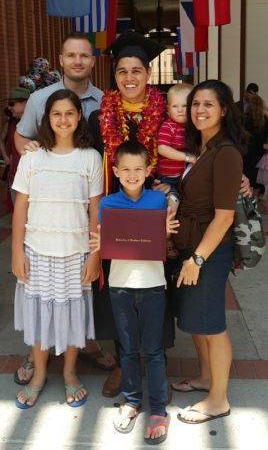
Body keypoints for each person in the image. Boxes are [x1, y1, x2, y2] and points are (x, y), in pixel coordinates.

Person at [13, 33, 115, 386]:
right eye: (70, 55)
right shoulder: (39, 99)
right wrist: (33, 153)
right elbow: (22, 137)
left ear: (92, 60)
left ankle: (78, 353)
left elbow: (95, 202)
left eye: (83, 55)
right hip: (40, 232)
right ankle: (36, 363)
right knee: (41, 304)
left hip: (77, 234)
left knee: (75, 303)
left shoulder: (104, 103)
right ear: (61, 59)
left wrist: (96, 249)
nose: (77, 61)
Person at [88, 30, 173, 398]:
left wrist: (172, 190)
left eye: (136, 70)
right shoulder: (98, 117)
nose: (129, 78)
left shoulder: (167, 111)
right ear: (115, 76)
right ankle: (125, 365)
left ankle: (157, 366)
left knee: (155, 287)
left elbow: (176, 161)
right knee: (117, 290)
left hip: (154, 215)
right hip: (115, 212)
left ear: (148, 75)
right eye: (122, 71)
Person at [11, 89, 103, 408]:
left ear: (79, 117)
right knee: (39, 317)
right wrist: (16, 252)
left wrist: (95, 254)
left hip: (75, 252)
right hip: (36, 251)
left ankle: (69, 373)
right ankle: (38, 375)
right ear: (47, 119)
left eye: (69, 113)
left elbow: (95, 209)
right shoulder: (33, 158)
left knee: (73, 315)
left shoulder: (90, 158)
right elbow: (21, 206)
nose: (63, 120)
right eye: (56, 114)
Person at [89, 140, 179, 444]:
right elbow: (105, 244)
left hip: (153, 285)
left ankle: (157, 409)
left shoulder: (157, 201)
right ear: (114, 170)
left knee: (153, 350)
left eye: (138, 169)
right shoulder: (107, 204)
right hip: (120, 286)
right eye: (125, 169)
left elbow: (163, 238)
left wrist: (166, 232)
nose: (131, 174)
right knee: (126, 349)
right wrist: (99, 245)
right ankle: (130, 401)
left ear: (148, 170)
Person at [171, 80, 247, 424]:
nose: (199, 110)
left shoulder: (227, 152)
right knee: (198, 322)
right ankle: (205, 378)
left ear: (224, 110)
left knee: (212, 324)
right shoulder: (201, 148)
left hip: (209, 251)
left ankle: (219, 399)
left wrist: (198, 258)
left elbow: (225, 216)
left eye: (208, 105)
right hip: (191, 245)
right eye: (194, 104)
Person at [157, 82, 196, 203]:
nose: (180, 110)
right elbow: (162, 148)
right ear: (168, 109)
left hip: (184, 176)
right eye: (175, 106)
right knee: (172, 201)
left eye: (185, 106)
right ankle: (169, 219)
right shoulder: (168, 126)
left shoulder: (192, 127)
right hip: (167, 178)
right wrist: (187, 157)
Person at [2, 87, 31, 205]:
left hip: (32, 182)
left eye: (12, 103)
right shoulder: (12, 124)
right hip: (14, 178)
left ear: (25, 103)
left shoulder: (38, 124)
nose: (9, 107)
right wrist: (6, 156)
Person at [243, 95, 268, 200]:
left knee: (247, 172)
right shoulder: (265, 119)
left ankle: (248, 195)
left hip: (246, 149)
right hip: (259, 150)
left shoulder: (244, 118)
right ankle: (257, 195)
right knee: (257, 173)